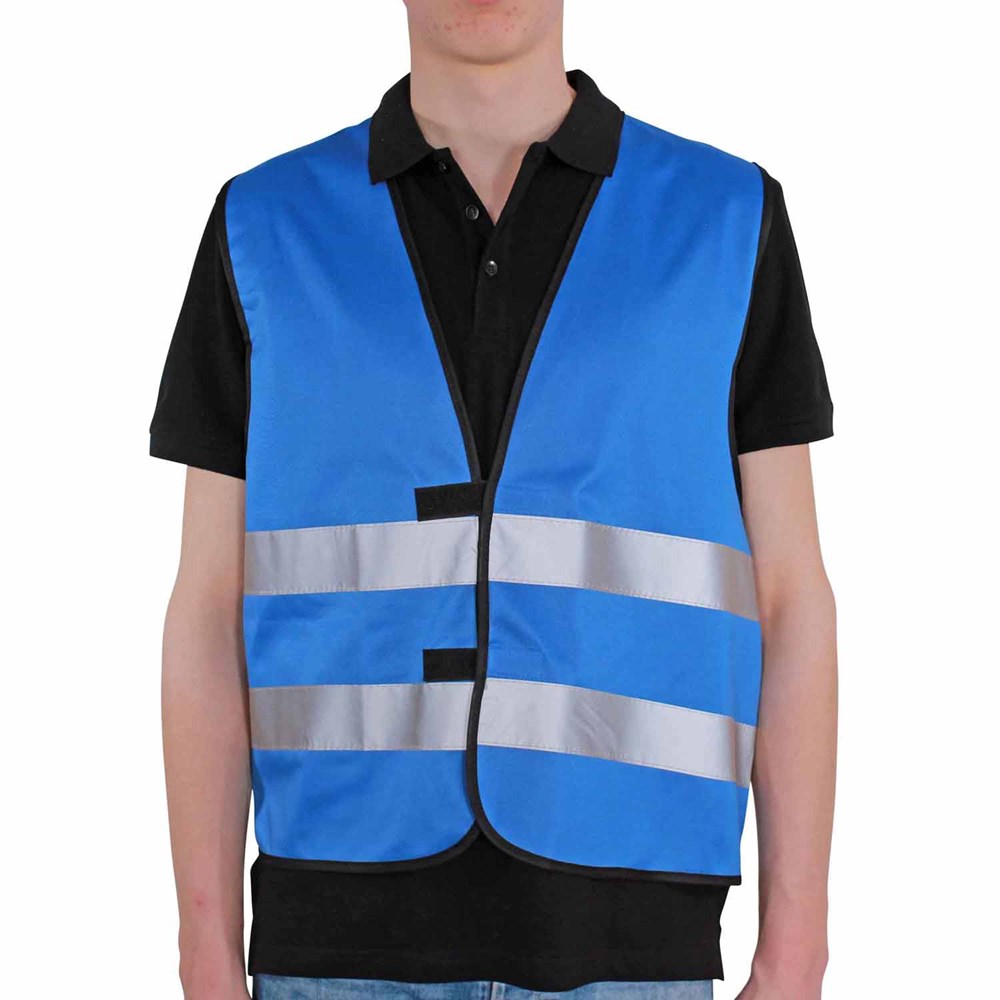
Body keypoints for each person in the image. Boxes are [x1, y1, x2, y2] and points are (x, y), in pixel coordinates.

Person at [150, 2, 837, 998]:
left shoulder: (728, 219)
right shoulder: (263, 228)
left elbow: (790, 597)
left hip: (634, 943)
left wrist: (798, 942)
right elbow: (207, 609)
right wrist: (204, 950)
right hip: (334, 942)